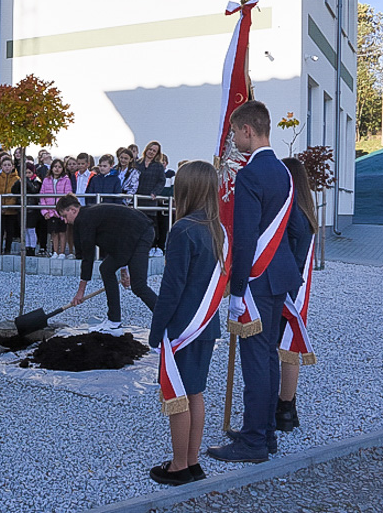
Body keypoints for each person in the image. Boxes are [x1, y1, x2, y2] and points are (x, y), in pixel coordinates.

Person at [207, 100, 303, 464]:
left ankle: (253, 442)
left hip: (257, 281)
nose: (232, 138)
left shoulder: (249, 175)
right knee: (267, 356)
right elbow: (293, 230)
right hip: (278, 277)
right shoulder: (283, 171)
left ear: (248, 130)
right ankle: (264, 432)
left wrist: (237, 288)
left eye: (234, 132)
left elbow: (246, 236)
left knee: (256, 361)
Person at [147, 161, 226, 486]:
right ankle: (192, 461)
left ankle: (180, 466)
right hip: (206, 324)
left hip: (183, 328)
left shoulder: (182, 230)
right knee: (195, 393)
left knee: (177, 395)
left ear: (186, 189)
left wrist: (156, 331)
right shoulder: (217, 229)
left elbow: (172, 288)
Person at [57, 194, 157, 332]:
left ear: (73, 210)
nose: (65, 221)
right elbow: (115, 243)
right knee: (106, 268)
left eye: (64, 216)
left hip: (142, 232)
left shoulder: (85, 219)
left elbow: (88, 257)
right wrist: (123, 271)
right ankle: (114, 321)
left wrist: (80, 292)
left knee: (138, 285)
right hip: (128, 237)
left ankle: (168, 321)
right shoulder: (89, 216)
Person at [275, 157, 318, 432]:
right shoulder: (307, 209)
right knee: (289, 348)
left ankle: (283, 406)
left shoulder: (291, 212)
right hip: (297, 284)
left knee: (284, 347)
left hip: (286, 287)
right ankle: (288, 408)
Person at [136, 141, 167, 256]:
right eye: (150, 149)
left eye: (154, 151)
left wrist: (155, 192)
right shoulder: (137, 163)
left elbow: (161, 181)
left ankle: (151, 246)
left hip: (150, 199)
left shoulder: (158, 166)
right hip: (137, 197)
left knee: (150, 223)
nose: (151, 152)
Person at [40, 159, 73, 258]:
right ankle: (55, 251)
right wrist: (45, 211)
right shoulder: (46, 180)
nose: (57, 169)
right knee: (54, 233)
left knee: (62, 232)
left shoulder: (66, 180)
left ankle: (62, 252)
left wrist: (62, 212)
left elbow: (68, 195)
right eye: (55, 167)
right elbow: (42, 196)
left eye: (59, 167)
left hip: (62, 212)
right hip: (50, 211)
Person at [12, 162, 41, 256]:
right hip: (22, 208)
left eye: (29, 172)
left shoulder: (37, 180)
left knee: (31, 230)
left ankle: (32, 247)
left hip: (32, 209)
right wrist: (19, 182)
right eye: (25, 173)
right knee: (24, 229)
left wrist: (27, 181)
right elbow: (13, 191)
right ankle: (26, 246)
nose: (27, 175)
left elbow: (34, 190)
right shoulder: (20, 181)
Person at [0, 156, 20, 254]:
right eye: (5, 165)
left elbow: (15, 195)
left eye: (9, 165)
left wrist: (8, 206)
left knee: (10, 231)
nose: (7, 167)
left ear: (12, 166)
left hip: (11, 211)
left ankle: (8, 249)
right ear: (1, 167)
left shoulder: (17, 179)